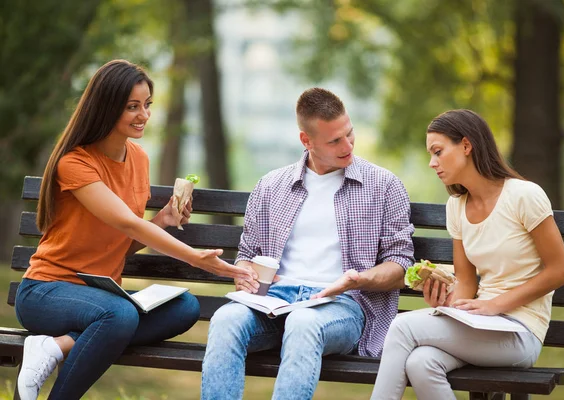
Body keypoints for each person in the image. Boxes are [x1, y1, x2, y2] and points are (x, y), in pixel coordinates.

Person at [14, 59, 254, 400]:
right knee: (119, 315)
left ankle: (54, 347)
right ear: (107, 107)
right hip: (47, 292)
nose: (143, 115)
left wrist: (163, 221)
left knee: (184, 307)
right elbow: (126, 222)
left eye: (147, 105)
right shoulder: (75, 163)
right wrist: (197, 259)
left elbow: (120, 243)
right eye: (132, 107)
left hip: (102, 297)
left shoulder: (139, 158)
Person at [201, 88, 415, 400]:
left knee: (303, 322)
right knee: (226, 319)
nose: (348, 146)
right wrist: (244, 274)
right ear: (307, 141)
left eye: (349, 134)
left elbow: (400, 265)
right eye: (334, 141)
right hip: (273, 304)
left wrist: (359, 279)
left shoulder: (383, 185)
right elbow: (247, 255)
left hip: (340, 306)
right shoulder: (272, 186)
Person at [371, 109, 564, 399]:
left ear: (466, 145)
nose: (432, 163)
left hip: (520, 331)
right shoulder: (457, 206)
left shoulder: (524, 196)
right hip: (479, 325)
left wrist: (496, 305)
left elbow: (560, 271)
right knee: (421, 362)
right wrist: (446, 302)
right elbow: (466, 281)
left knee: (403, 326)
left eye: (438, 152)